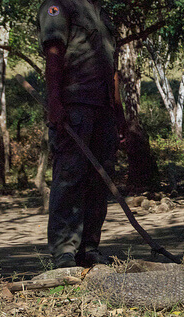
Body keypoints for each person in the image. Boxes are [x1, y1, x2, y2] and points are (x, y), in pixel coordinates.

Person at [37, 0, 126, 268]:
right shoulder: (58, 5)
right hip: (75, 105)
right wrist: (55, 101)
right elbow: (54, 51)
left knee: (100, 178)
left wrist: (119, 114)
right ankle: (64, 251)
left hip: (103, 110)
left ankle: (89, 248)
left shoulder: (102, 14)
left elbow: (113, 70)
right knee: (70, 177)